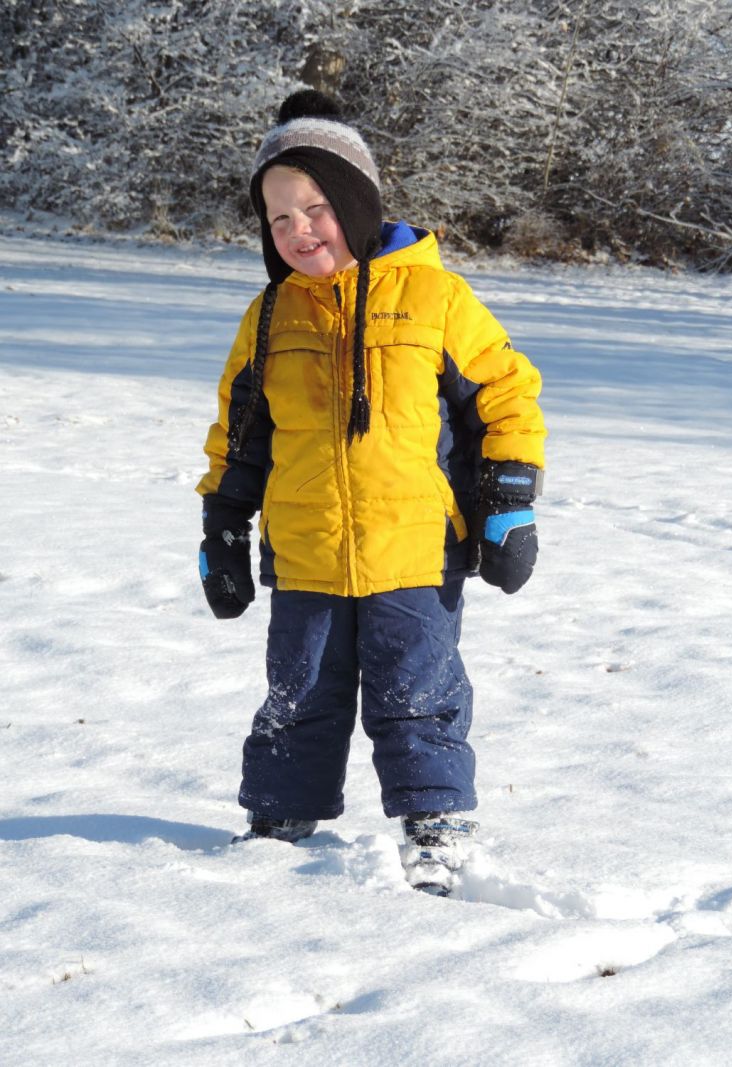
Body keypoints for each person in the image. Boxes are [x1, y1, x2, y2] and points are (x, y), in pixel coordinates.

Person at [196, 90, 546, 895]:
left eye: (314, 208)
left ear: (353, 202)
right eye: (278, 219)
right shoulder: (270, 315)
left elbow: (506, 395)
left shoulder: (435, 297)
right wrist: (222, 525)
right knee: (298, 694)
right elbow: (240, 434)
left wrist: (511, 499)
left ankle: (437, 827)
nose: (298, 232)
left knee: (419, 694)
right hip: (308, 548)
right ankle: (278, 823)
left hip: (415, 549)